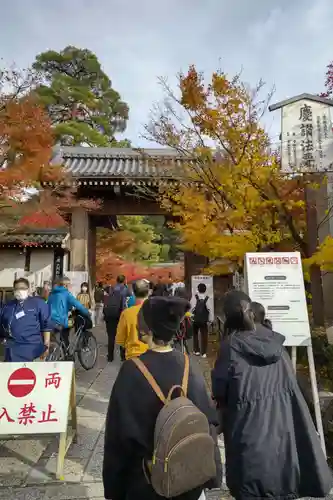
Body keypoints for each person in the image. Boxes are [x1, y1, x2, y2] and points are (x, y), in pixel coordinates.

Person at [211, 290, 333, 500]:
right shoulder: (275, 342)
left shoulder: (231, 347)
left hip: (247, 433)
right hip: (284, 432)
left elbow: (220, 391)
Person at [103, 295, 221, 500]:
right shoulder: (188, 364)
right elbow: (208, 421)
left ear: (145, 328)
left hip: (146, 480)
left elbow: (117, 435)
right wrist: (213, 473)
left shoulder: (132, 370)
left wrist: (114, 488)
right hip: (187, 478)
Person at [0, 277, 52, 361]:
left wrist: (46, 344)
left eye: (22, 288)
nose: (19, 290)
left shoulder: (38, 303)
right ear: (14, 290)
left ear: (28, 289)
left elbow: (46, 323)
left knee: (33, 373)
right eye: (17, 288)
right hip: (12, 349)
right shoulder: (8, 306)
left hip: (33, 348)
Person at [48, 276, 90, 349]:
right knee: (77, 320)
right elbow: (78, 305)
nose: (70, 286)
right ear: (65, 285)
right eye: (69, 285)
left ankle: (63, 345)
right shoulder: (66, 293)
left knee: (63, 333)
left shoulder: (52, 294)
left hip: (51, 320)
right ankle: (67, 351)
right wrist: (87, 312)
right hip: (62, 321)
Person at [115, 279, 150, 360]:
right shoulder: (156, 311)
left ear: (133, 293)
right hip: (152, 356)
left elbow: (120, 340)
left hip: (132, 358)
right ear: (148, 292)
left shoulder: (126, 313)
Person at [103, 274, 131, 362]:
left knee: (111, 336)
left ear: (117, 280)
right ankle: (123, 356)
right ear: (124, 280)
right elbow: (129, 297)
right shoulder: (125, 289)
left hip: (109, 314)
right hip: (119, 314)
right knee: (123, 335)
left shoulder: (111, 288)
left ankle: (110, 357)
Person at [192, 283, 211, 358]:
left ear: (198, 289)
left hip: (195, 319)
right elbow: (209, 310)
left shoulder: (194, 297)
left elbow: (191, 308)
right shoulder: (207, 298)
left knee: (195, 334)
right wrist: (210, 320)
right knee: (204, 335)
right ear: (205, 289)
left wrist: (191, 316)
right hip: (204, 320)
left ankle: (196, 350)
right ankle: (204, 353)